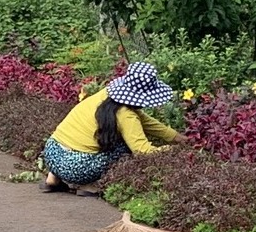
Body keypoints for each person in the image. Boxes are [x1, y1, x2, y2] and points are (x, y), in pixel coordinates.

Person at [41, 62, 182, 191]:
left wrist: (176, 136)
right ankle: (88, 186)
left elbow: (144, 120)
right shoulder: (126, 115)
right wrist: (173, 149)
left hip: (51, 152)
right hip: (76, 169)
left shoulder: (105, 94)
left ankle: (53, 178)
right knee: (123, 147)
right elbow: (142, 151)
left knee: (85, 138)